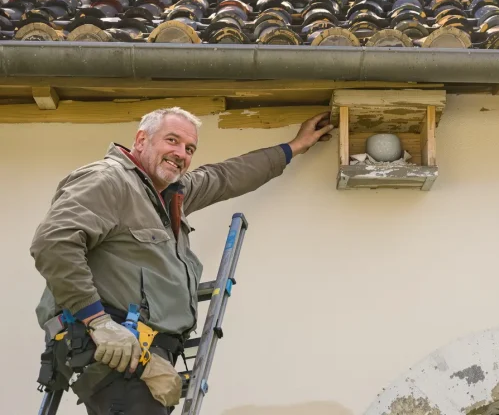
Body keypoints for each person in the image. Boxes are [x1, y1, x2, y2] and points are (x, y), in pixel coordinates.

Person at [30, 107, 334, 414]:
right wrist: (98, 322)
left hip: (141, 354)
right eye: (172, 140)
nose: (181, 154)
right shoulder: (109, 180)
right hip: (113, 347)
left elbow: (226, 176)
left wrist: (295, 147)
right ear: (141, 140)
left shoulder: (169, 195)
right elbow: (53, 242)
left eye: (189, 149)